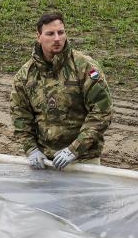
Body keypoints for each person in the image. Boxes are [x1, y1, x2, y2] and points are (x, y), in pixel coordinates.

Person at [9, 11, 112, 170]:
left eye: (61, 32)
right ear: (39, 37)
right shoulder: (25, 74)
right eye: (50, 33)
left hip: (83, 160)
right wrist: (31, 149)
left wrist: (74, 150)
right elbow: (20, 115)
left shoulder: (85, 67)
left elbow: (101, 112)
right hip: (44, 161)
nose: (57, 38)